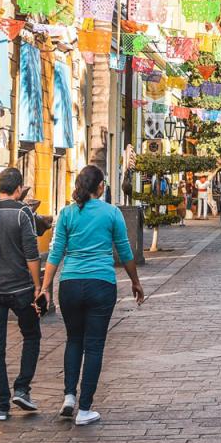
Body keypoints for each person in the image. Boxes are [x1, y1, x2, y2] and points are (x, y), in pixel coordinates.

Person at [40, 165, 145, 426]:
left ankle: (68, 396)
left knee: (73, 340)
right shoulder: (112, 213)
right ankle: (85, 408)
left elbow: (56, 253)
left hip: (70, 284)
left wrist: (45, 287)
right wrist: (135, 282)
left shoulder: (66, 213)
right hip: (101, 284)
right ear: (100, 187)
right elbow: (124, 251)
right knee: (94, 345)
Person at [0, 167, 44, 421]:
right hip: (20, 288)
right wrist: (38, 286)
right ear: (18, 189)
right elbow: (31, 253)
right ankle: (22, 388)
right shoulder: (22, 212)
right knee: (31, 335)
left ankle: (1, 406)